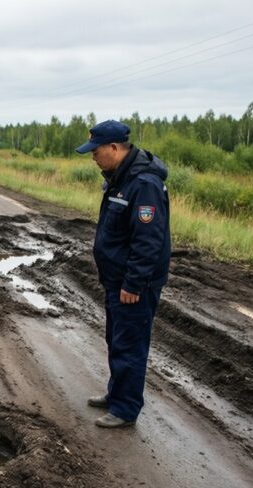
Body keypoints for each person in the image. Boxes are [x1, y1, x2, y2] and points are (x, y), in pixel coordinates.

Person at [76, 120, 171, 429]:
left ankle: (125, 409)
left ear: (114, 148)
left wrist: (134, 282)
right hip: (117, 280)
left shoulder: (144, 184)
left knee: (129, 345)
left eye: (96, 151)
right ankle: (116, 394)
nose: (93, 157)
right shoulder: (121, 178)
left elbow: (148, 240)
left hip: (133, 285)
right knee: (116, 340)